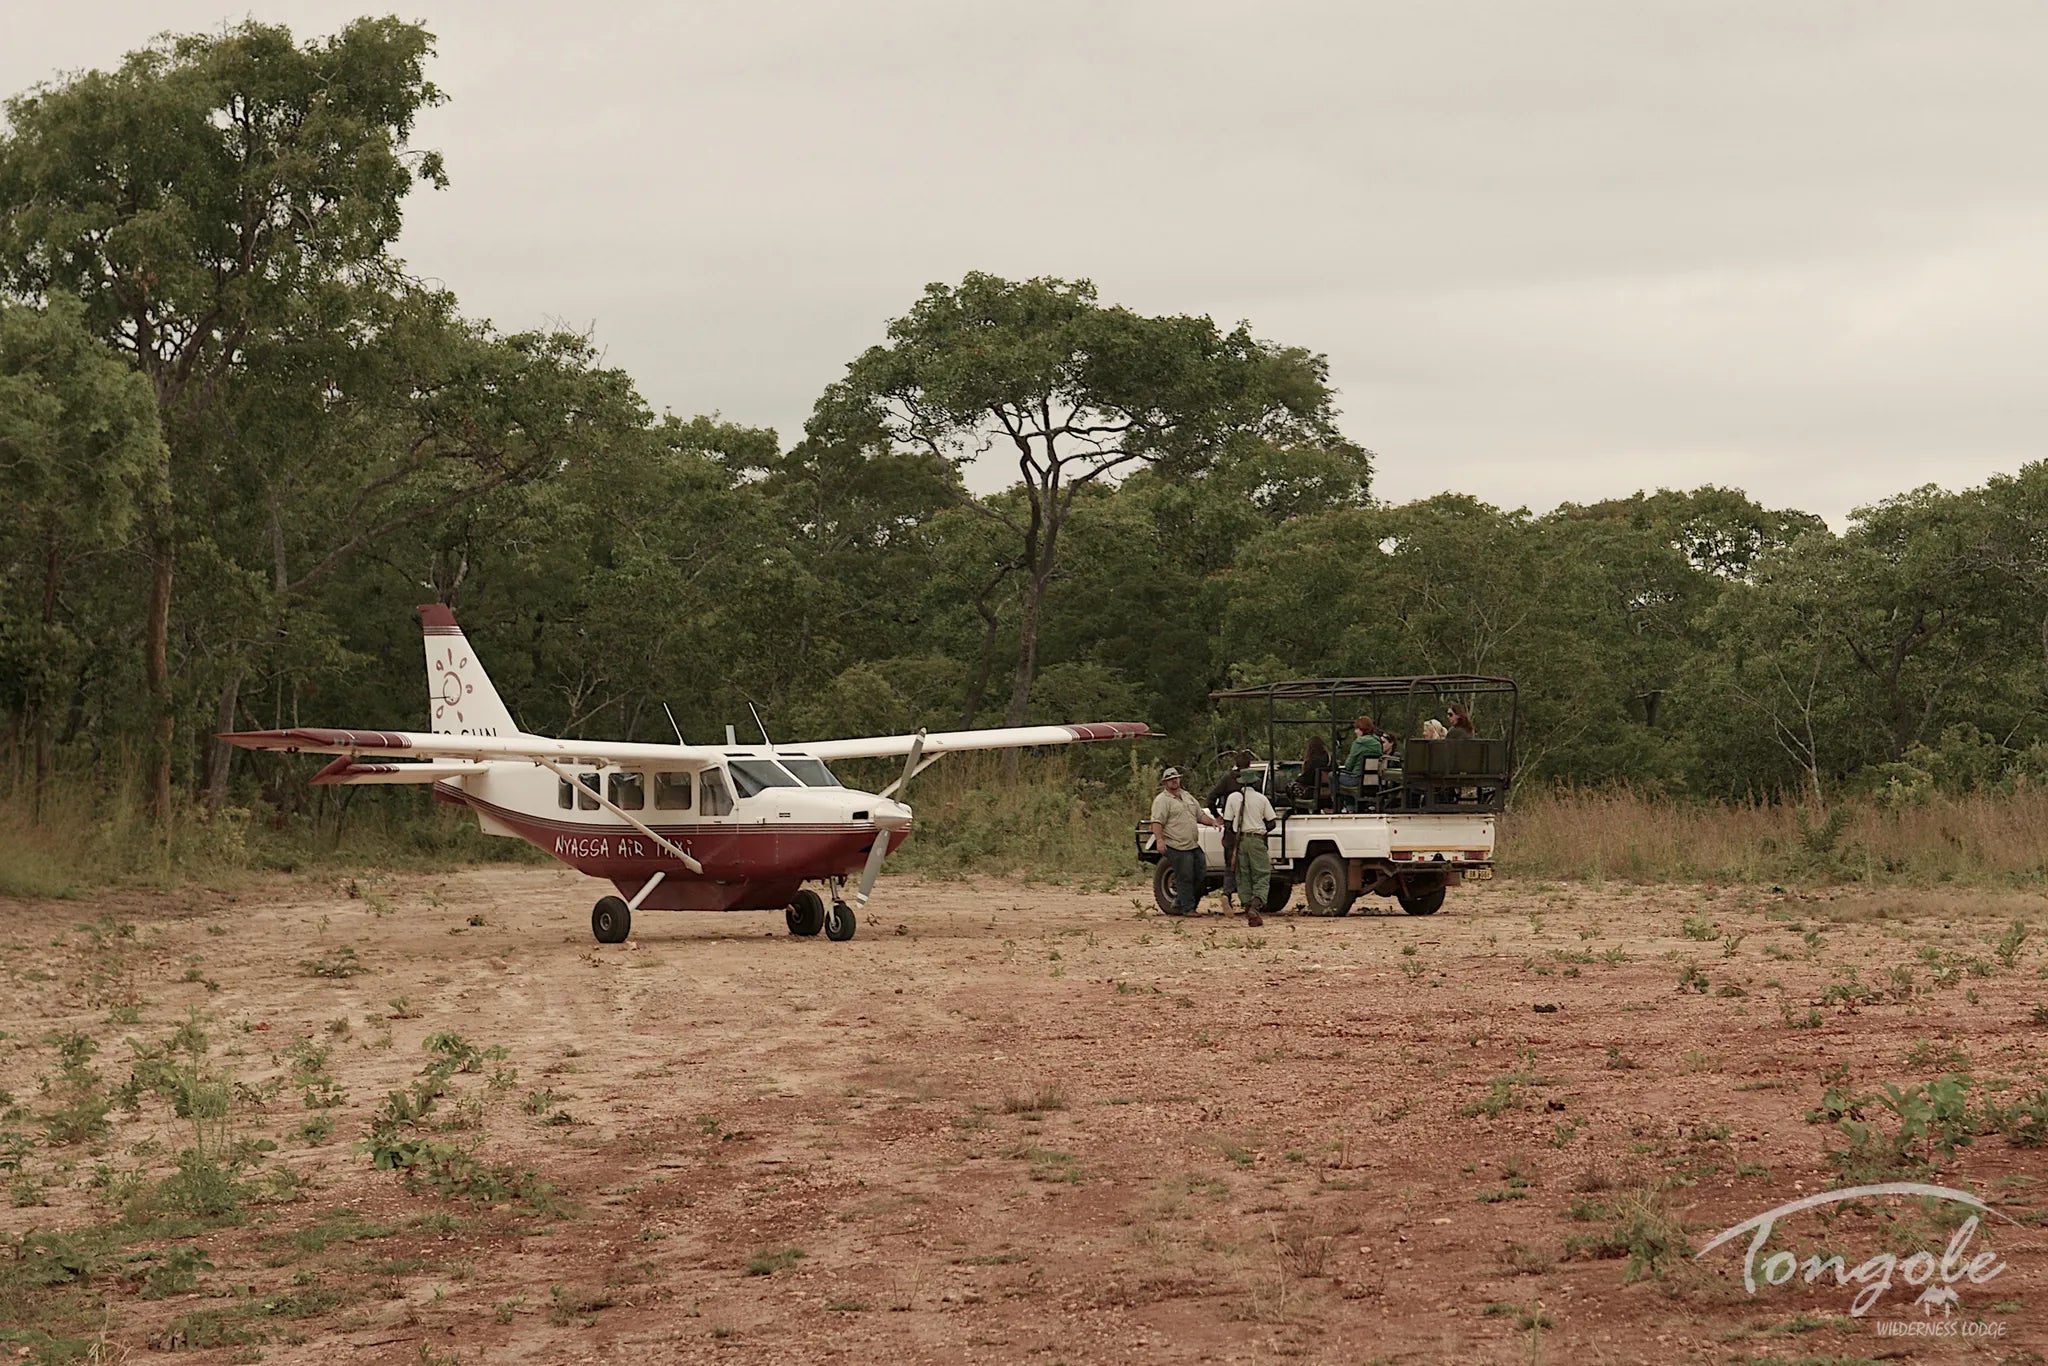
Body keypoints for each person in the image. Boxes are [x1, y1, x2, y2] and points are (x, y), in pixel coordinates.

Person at [1149, 767, 1220, 916]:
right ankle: (1188, 909)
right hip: (1176, 845)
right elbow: (1157, 822)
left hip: (1192, 844)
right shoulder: (1162, 801)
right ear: (1165, 782)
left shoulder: (1187, 796)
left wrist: (1212, 822)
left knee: (1200, 873)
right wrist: (1159, 840)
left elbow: (1199, 815)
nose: (1174, 781)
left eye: (1176, 778)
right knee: (1185, 876)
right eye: (1170, 779)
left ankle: (1179, 901)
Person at [1221, 776, 1278, 926]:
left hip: (1240, 841)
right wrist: (1261, 830)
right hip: (1256, 839)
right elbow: (1272, 822)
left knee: (1243, 875)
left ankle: (1248, 910)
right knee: (1262, 874)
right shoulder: (1261, 799)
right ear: (1255, 783)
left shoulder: (1232, 797)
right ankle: (1255, 906)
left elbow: (1227, 823)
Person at [1296, 735, 1331, 811]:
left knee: (1292, 788)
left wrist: (1298, 779)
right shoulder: (1329, 760)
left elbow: (1306, 779)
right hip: (1329, 792)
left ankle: (1302, 812)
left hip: (1314, 792)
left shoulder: (1311, 762)